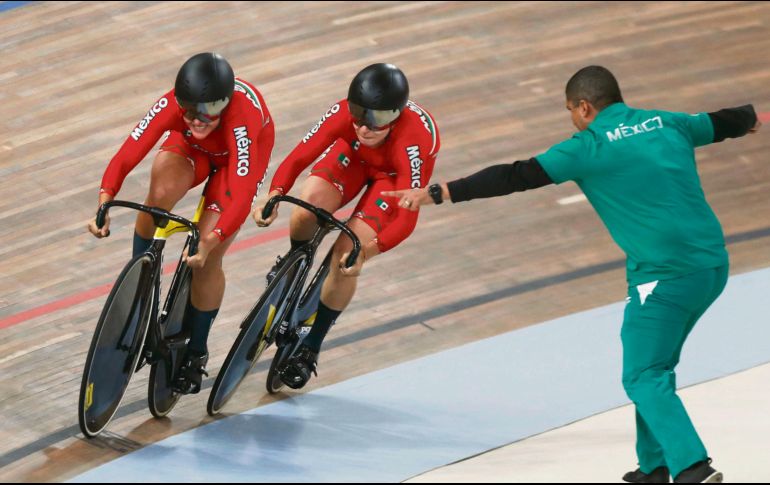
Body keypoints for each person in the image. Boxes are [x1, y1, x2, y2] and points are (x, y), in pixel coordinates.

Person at [383, 65, 761, 483]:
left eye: (570, 110)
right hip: (712, 265)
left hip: (666, 277)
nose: (571, 119)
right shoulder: (668, 122)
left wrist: (438, 192)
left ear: (584, 107)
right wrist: (749, 119)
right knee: (655, 366)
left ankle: (692, 467)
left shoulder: (589, 146)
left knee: (642, 375)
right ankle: (652, 467)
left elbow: (515, 175)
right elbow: (727, 120)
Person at [87, 52, 275, 394]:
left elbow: (243, 191)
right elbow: (129, 151)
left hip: (238, 161)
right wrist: (105, 198)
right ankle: (141, 277)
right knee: (158, 195)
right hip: (193, 151)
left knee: (208, 254)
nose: (198, 119)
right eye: (190, 111)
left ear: (225, 103)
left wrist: (212, 238)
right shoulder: (174, 106)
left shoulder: (241, 118)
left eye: (208, 113)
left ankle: (197, 351)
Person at [254, 63, 440, 389]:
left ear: (396, 115)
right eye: (359, 114)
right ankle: (294, 260)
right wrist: (275, 194)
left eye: (377, 119)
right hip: (353, 158)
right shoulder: (344, 117)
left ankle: (311, 348)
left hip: (393, 179)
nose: (365, 127)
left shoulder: (412, 143)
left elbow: (407, 218)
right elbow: (298, 157)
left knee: (346, 254)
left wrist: (366, 253)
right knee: (305, 210)